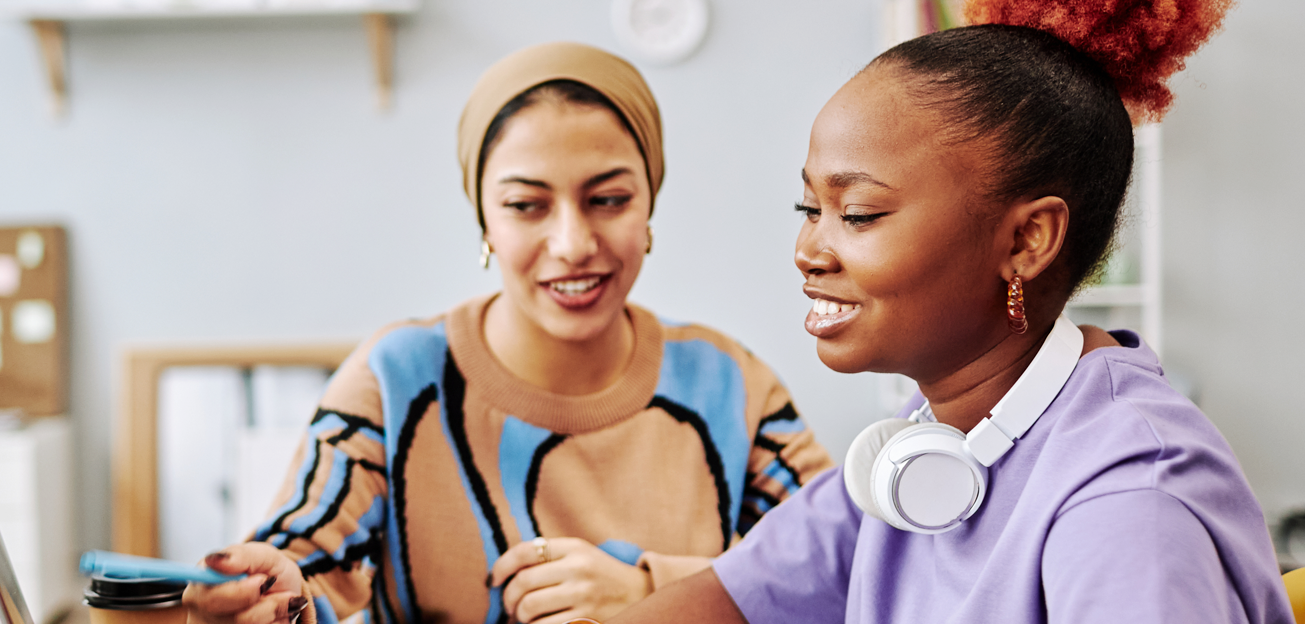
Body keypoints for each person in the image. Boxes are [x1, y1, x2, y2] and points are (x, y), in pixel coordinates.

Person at [608, 0, 1295, 622]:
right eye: (808, 205)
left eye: (859, 216)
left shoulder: (1130, 507)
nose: (808, 250)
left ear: (1027, 240)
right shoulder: (931, 443)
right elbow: (733, 600)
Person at [181, 42, 834, 624]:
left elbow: (846, 574)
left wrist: (651, 595)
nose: (573, 244)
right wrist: (271, 598)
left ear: (649, 203)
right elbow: (300, 570)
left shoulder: (729, 382)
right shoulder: (398, 377)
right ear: (485, 221)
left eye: (609, 199)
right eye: (527, 206)